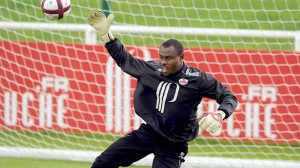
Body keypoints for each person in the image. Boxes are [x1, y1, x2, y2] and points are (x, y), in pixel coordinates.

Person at [87, 11, 238, 168]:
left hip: (174, 144)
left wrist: (220, 114)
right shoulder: (151, 69)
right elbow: (124, 58)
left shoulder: (197, 79)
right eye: (161, 57)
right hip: (149, 133)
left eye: (168, 58)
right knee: (102, 163)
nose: (163, 62)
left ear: (181, 57)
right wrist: (106, 36)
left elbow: (229, 97)